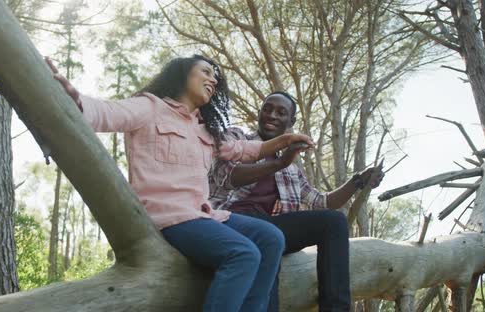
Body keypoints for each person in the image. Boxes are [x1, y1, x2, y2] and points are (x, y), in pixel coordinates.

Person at [47, 56, 315, 312]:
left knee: (271, 238)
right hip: (168, 217)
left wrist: (284, 141)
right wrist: (75, 98)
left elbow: (243, 149)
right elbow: (107, 112)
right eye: (206, 72)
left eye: (216, 77)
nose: (213, 79)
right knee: (243, 254)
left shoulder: (205, 129)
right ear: (183, 73)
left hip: (203, 215)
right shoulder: (149, 107)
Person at [209, 91, 384, 312]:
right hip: (230, 221)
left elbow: (323, 202)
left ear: (291, 122)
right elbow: (228, 176)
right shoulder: (236, 138)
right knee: (267, 240)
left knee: (333, 222)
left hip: (272, 228)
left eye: (281, 112)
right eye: (267, 109)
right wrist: (279, 162)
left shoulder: (292, 171)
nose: (272, 115)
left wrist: (358, 180)